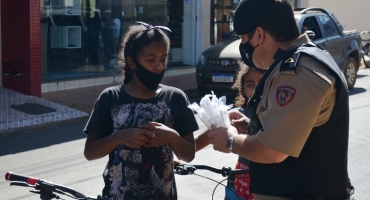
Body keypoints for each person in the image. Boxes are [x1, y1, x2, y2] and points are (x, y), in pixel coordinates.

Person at [207, 0, 353, 199]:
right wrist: (251, 127)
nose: (242, 46)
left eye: (243, 38)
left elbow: (272, 150)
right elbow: (298, 133)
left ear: (259, 35)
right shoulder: (304, 61)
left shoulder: (296, 73)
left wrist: (230, 141)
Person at [83, 22, 198, 200]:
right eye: (151, 60)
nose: (159, 66)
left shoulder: (176, 98)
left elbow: (189, 154)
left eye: (163, 59)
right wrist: (119, 137)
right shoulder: (111, 98)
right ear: (132, 62)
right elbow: (90, 152)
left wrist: (172, 137)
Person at [174, 64, 265, 200]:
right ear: (242, 91)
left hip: (268, 178)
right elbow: (204, 137)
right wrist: (177, 155)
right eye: (250, 84)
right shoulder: (237, 115)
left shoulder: (275, 116)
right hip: (242, 176)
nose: (256, 88)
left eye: (261, 82)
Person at [80, 0, 105, 72]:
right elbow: (79, 11)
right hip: (87, 20)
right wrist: (83, 25)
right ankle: (94, 63)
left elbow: (97, 8)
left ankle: (95, 63)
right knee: (91, 42)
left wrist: (101, 21)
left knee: (95, 42)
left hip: (95, 20)